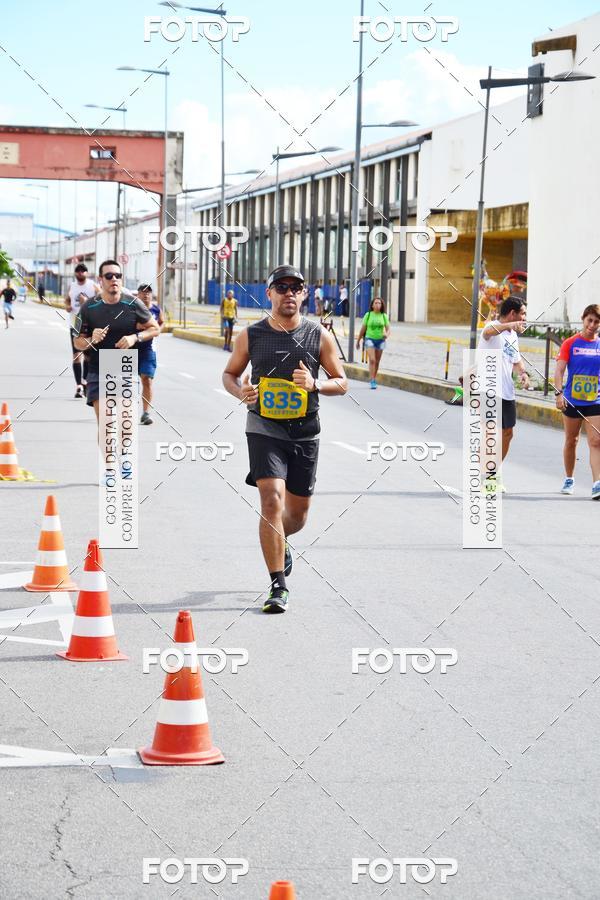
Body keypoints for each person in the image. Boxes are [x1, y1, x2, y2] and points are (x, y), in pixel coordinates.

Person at [223, 264, 347, 614]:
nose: (289, 293)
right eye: (282, 287)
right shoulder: (250, 336)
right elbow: (230, 374)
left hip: (305, 431)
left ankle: (281, 541)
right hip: (264, 427)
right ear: (270, 294)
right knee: (271, 501)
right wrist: (240, 392)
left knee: (297, 516)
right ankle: (278, 585)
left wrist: (315, 385)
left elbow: (342, 382)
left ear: (304, 294)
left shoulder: (318, 335)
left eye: (296, 287)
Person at [73, 260, 160, 426]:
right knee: (106, 425)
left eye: (118, 276)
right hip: (97, 368)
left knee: (124, 426)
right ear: (101, 279)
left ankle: (124, 452)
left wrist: (135, 338)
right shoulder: (88, 308)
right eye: (109, 276)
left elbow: (155, 328)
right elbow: (77, 342)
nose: (114, 279)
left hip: (124, 366)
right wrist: (91, 339)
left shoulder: (134, 304)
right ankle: (108, 453)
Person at [478, 295, 529, 491]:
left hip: (507, 390)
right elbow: (490, 331)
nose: (524, 318)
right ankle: (487, 475)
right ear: (512, 314)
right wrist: (510, 325)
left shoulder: (512, 336)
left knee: (508, 433)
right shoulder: (492, 328)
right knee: (490, 432)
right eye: (522, 314)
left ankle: (493, 471)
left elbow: (515, 360)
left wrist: (523, 373)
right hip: (488, 389)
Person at [554, 304, 600, 498]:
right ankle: (569, 478)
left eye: (597, 322)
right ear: (583, 319)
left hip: (594, 401)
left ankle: (597, 483)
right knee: (571, 441)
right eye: (590, 320)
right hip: (572, 400)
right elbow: (559, 369)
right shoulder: (570, 343)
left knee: (596, 441)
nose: (592, 325)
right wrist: (559, 393)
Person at [64, 263, 100, 398]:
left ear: (87, 273)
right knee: (76, 356)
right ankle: (78, 385)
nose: (80, 273)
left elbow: (101, 300)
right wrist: (67, 306)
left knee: (88, 356)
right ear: (75, 273)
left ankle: (85, 382)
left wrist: (87, 301)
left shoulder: (93, 286)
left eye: (83, 271)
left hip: (90, 325)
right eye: (78, 271)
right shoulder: (72, 286)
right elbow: (67, 300)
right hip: (75, 325)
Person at [136, 284, 164, 425]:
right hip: (130, 347)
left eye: (148, 293)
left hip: (148, 349)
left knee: (147, 380)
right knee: (123, 383)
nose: (146, 295)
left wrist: (156, 330)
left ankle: (146, 413)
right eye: (143, 292)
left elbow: (161, 323)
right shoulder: (132, 308)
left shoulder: (156, 309)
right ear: (138, 294)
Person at [356, 297, 390, 389]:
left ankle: (374, 378)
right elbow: (363, 329)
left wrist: (386, 335)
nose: (378, 305)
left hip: (381, 340)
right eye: (376, 303)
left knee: (377, 362)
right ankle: (372, 380)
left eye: (379, 303)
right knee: (372, 360)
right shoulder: (368, 315)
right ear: (372, 305)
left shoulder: (384, 316)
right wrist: (358, 340)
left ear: (382, 305)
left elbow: (388, 329)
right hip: (369, 338)